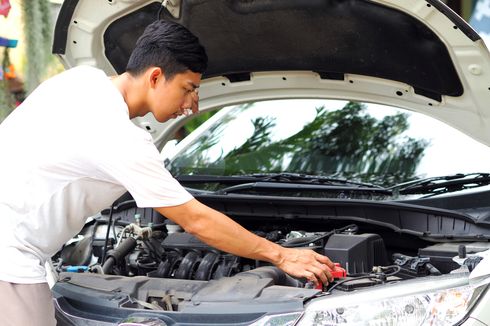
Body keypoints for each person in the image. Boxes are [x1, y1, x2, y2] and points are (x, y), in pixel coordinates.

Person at [0, 20, 334, 325]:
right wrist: (280, 254)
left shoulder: (80, 81)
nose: (194, 104)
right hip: (10, 261)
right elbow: (195, 220)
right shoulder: (119, 138)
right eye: (189, 88)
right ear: (156, 76)